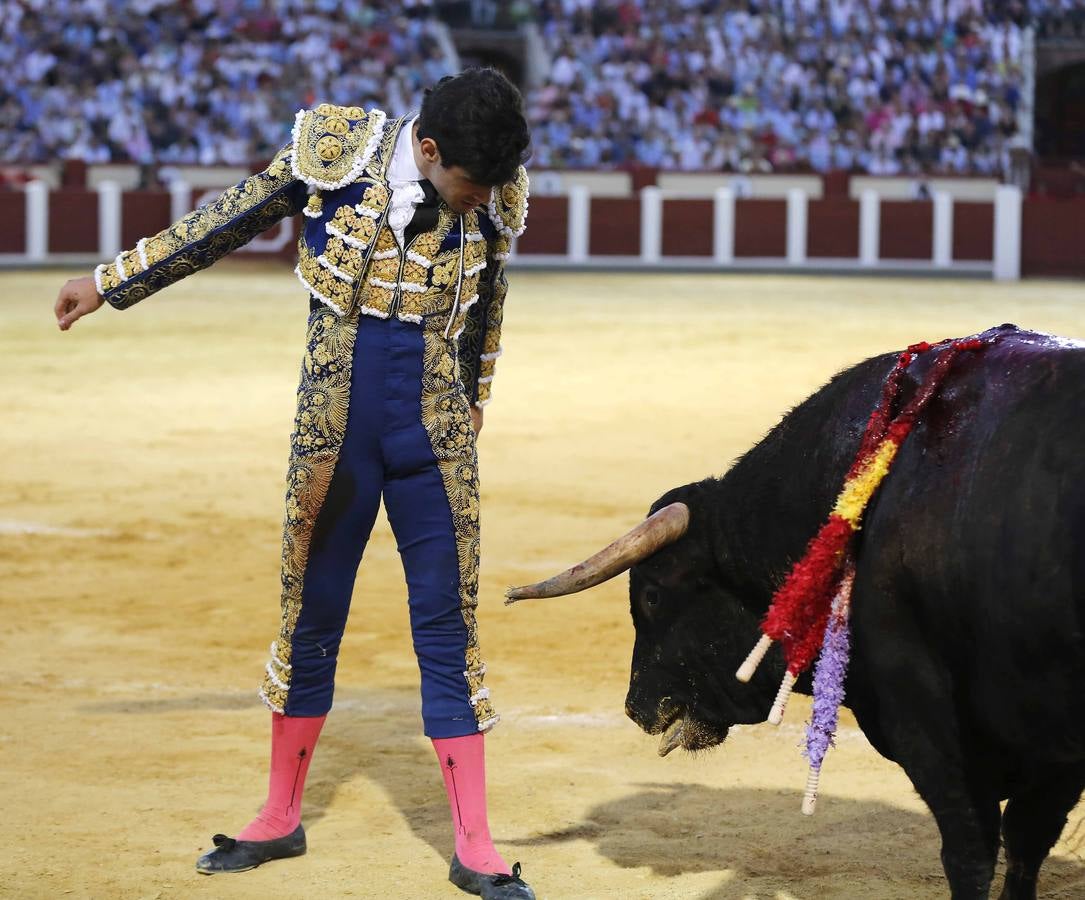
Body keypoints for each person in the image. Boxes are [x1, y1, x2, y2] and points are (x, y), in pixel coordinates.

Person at [53, 67, 533, 900]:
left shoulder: (489, 185)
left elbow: (489, 301)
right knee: (309, 611)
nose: (477, 200)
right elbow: (226, 220)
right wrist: (107, 282)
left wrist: (474, 401)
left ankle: (476, 844)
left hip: (434, 429)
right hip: (334, 423)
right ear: (426, 149)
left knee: (447, 623)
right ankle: (279, 816)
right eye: (466, 184)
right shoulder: (336, 154)